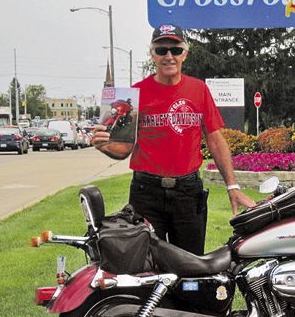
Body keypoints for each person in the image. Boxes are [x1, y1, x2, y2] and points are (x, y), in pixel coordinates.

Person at [92, 24, 255, 255]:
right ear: (153, 54)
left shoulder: (199, 90)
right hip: (146, 192)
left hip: (188, 193)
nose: (169, 56)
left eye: (175, 50)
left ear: (184, 54)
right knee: (147, 264)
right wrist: (106, 146)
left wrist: (232, 185)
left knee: (190, 264)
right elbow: (124, 149)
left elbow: (215, 139)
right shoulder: (135, 94)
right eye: (161, 50)